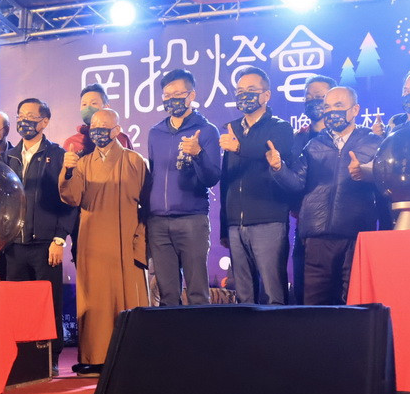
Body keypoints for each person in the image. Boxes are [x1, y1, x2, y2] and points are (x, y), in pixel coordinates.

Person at [58, 108, 151, 375]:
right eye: (94, 128)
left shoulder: (134, 160)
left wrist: (141, 242)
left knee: (126, 299)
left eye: (104, 127)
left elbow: (149, 206)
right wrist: (67, 171)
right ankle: (94, 356)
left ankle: (130, 356)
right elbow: (72, 197)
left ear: (117, 130)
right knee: (95, 300)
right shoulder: (83, 163)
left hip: (126, 239)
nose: (98, 132)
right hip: (92, 241)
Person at [272, 86, 380, 306]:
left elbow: (385, 182)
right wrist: (279, 168)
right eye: (327, 107)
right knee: (316, 307)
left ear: (355, 109)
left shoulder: (373, 142)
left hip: (356, 235)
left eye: (338, 106)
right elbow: (296, 183)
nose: (332, 112)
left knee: (353, 305)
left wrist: (366, 173)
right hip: (317, 236)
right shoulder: (314, 144)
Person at [3, 98, 77, 368]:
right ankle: (21, 359)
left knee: (48, 304)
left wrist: (59, 238)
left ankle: (50, 357)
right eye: (20, 115)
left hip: (47, 244)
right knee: (17, 305)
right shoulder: (8, 157)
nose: (24, 121)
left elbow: (69, 200)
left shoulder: (57, 155)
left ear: (44, 122)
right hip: (14, 245)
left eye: (30, 116)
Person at [218, 65, 296, 304]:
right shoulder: (232, 129)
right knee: (244, 296)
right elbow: (226, 180)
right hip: (236, 225)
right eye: (240, 91)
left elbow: (271, 154)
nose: (244, 95)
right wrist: (224, 226)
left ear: (266, 95)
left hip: (269, 221)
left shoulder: (280, 127)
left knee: (274, 294)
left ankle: (279, 329)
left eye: (251, 90)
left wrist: (239, 147)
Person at [146, 69, 221, 306]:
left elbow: (212, 177)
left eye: (178, 94)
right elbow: (153, 174)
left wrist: (198, 154)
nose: (172, 100)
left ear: (191, 95)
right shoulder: (155, 132)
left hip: (192, 219)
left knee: (197, 292)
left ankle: (200, 332)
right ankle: (171, 332)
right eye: (167, 95)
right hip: (158, 222)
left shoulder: (206, 131)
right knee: (167, 295)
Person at [290, 74, 336, 304]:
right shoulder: (298, 139)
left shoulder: (346, 138)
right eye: (308, 97)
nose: (312, 101)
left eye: (319, 96)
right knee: (305, 293)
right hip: (306, 226)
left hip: (339, 228)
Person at [62, 83, 134, 157]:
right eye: (84, 104)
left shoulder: (121, 138)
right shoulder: (72, 143)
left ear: (106, 107)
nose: (88, 108)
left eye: (93, 103)